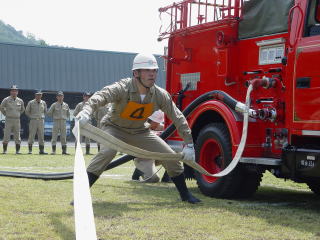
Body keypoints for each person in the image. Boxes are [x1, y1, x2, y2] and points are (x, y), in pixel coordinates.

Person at [76, 53, 200, 204]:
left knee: (169, 156)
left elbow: (178, 117)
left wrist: (189, 144)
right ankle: (80, 195)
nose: (152, 74)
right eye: (147, 70)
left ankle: (185, 195)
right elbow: (101, 96)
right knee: (108, 152)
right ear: (136, 73)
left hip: (140, 131)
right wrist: (87, 110)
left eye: (154, 70)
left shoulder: (160, 94)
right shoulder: (122, 88)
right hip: (114, 128)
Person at [131, 110, 171, 183]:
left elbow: (164, 128)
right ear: (149, 120)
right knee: (153, 179)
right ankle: (140, 169)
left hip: (154, 155)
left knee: (172, 153)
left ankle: (168, 176)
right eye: (156, 123)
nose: (157, 125)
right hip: (142, 157)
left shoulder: (154, 125)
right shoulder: (138, 127)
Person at [0, 85, 25, 154]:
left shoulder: (20, 100)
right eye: (13, 91)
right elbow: (1, 107)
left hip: (17, 120)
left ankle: (17, 151)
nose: (14, 92)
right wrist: (6, 114)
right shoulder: (6, 99)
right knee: (6, 135)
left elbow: (23, 109)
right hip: (8, 119)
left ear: (17, 92)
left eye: (15, 91)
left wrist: (17, 114)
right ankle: (5, 150)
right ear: (10, 92)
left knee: (17, 135)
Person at [25, 90, 48, 154]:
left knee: (41, 135)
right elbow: (27, 111)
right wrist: (31, 117)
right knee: (31, 135)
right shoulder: (31, 102)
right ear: (35, 95)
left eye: (40, 94)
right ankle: (30, 150)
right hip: (33, 121)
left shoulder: (43, 103)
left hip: (41, 121)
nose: (39, 96)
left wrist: (42, 116)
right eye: (37, 94)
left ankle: (41, 150)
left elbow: (45, 111)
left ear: (41, 95)